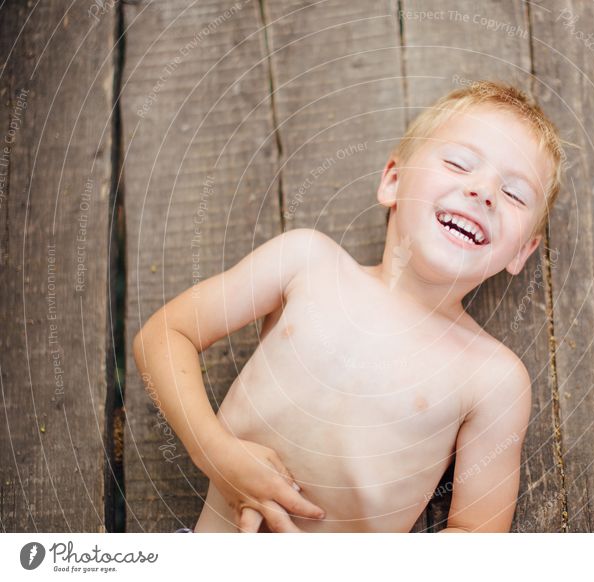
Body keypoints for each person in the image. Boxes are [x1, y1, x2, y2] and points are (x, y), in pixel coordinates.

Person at [133, 80, 564, 533]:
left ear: (523, 251)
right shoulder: (306, 263)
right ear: (393, 181)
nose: (484, 191)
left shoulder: (492, 378)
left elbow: (479, 535)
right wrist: (216, 453)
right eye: (459, 163)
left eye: (515, 194)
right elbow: (163, 336)